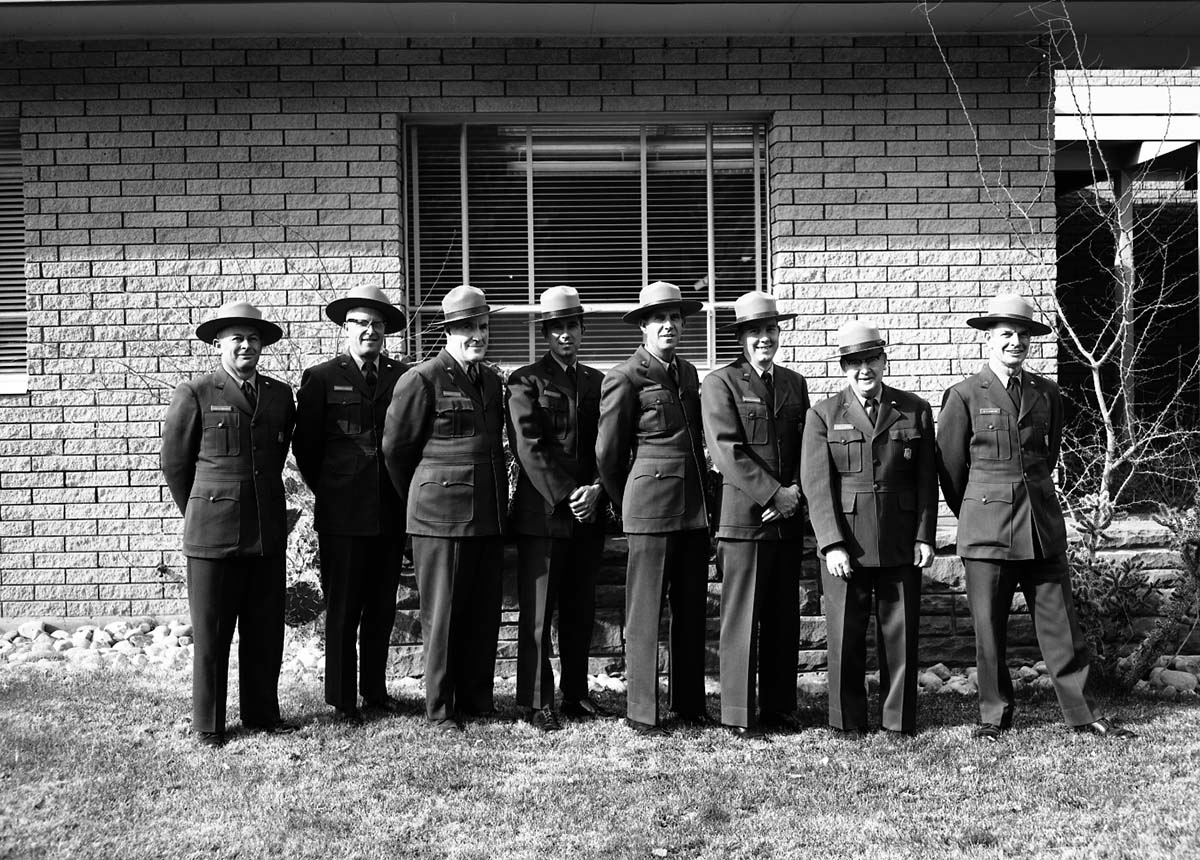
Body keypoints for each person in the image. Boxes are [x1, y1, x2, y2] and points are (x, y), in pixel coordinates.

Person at [937, 294, 1137, 740]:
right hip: (988, 531)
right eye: (1006, 334)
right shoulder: (965, 395)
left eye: (1023, 335)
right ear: (988, 339)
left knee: (1061, 624)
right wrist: (978, 511)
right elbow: (951, 471)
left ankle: (1083, 713)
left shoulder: (1046, 393)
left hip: (1042, 528)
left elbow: (1047, 455)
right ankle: (994, 715)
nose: (1015, 342)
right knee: (989, 630)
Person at [160, 300, 298, 748]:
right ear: (219, 343)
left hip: (265, 527)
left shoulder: (279, 395)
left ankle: (262, 713)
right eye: (236, 337)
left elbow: (272, 458)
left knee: (264, 628)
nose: (246, 345)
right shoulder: (197, 392)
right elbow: (176, 465)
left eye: (253, 338)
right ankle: (209, 723)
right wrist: (202, 509)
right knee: (213, 632)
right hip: (212, 531)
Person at [801, 321, 937, 736]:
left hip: (899, 539)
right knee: (846, 635)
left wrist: (924, 535)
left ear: (883, 360)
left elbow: (925, 480)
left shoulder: (914, 410)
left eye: (872, 359)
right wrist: (832, 544)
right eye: (855, 362)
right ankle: (848, 720)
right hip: (849, 543)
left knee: (900, 633)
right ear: (844, 366)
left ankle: (897, 720)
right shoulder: (823, 414)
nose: (865, 369)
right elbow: (817, 485)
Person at [381, 285, 506, 732]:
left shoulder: (491, 380)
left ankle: (476, 698)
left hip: (487, 514)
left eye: (483, 326)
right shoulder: (422, 378)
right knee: (444, 613)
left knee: (481, 611)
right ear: (449, 331)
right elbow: (396, 451)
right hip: (439, 517)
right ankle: (440, 708)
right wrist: (423, 500)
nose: (478, 334)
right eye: (468, 327)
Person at [596, 281, 710, 737]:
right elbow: (608, 453)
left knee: (689, 609)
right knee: (645, 612)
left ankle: (688, 703)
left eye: (676, 318)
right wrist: (630, 497)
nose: (669, 325)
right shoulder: (625, 377)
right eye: (659, 318)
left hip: (692, 511)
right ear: (643, 326)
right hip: (648, 509)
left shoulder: (687, 374)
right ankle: (643, 709)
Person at [293, 285, 409, 725]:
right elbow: (306, 448)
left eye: (378, 325)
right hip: (343, 512)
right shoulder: (323, 377)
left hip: (389, 509)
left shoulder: (402, 376)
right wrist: (334, 488)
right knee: (344, 607)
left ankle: (375, 692)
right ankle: (342, 698)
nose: (370, 331)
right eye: (361, 323)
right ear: (346, 329)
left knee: (382, 605)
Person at [701, 292, 809, 740]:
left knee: (784, 617)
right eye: (754, 332)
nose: (764, 338)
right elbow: (726, 451)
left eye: (770, 330)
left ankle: (781, 708)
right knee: (742, 617)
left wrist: (795, 493)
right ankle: (739, 712)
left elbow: (807, 444)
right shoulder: (720, 383)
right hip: (745, 518)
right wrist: (772, 495)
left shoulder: (793, 382)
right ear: (742, 337)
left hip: (787, 517)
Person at [505, 286, 609, 732]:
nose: (565, 335)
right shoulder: (524, 381)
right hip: (545, 513)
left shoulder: (600, 382)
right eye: (556, 328)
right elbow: (528, 447)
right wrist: (572, 493)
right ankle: (535, 701)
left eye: (571, 326)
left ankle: (575, 694)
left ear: (582, 329)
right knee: (538, 612)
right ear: (545, 333)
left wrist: (600, 489)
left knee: (580, 608)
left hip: (589, 511)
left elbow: (612, 445)